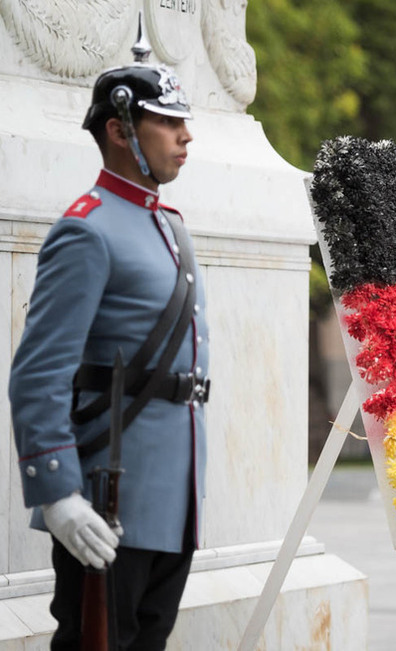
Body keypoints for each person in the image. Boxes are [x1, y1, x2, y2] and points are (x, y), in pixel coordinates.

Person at [8, 28, 208, 650]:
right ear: (120, 131)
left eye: (185, 121)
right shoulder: (87, 231)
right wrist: (58, 492)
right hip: (105, 502)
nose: (186, 136)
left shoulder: (168, 226)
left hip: (170, 500)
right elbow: (38, 374)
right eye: (167, 123)